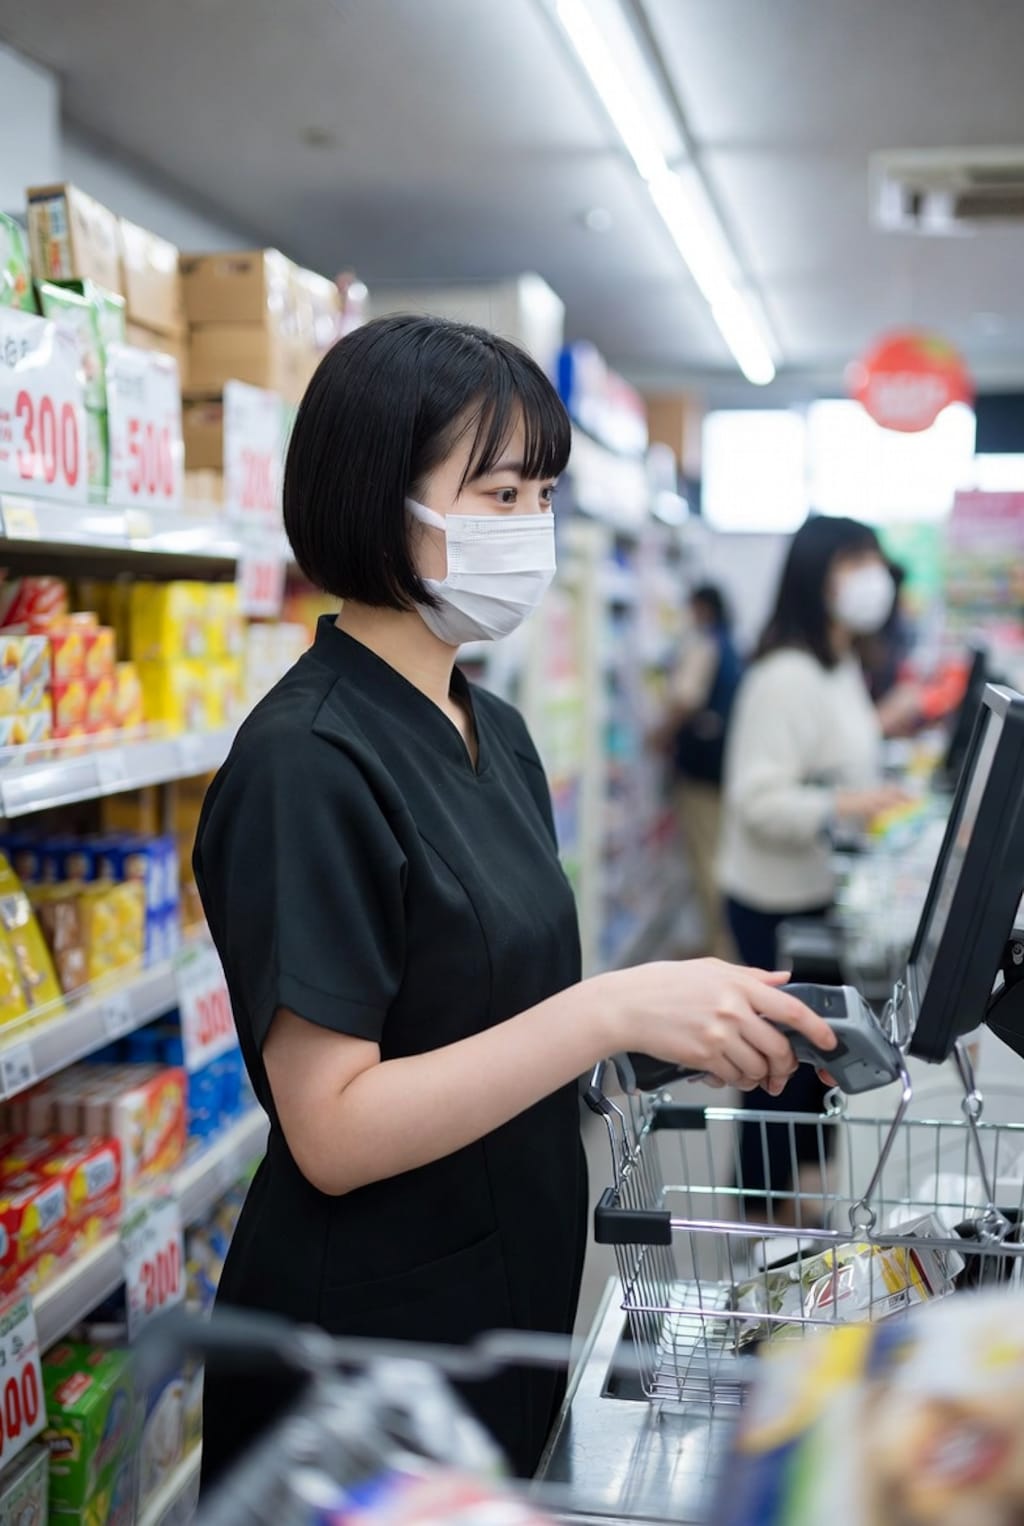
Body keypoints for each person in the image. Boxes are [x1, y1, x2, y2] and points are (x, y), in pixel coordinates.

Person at [193, 315, 836, 1488]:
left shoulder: (498, 729)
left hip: (508, 1295)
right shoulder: (306, 760)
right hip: (367, 1357)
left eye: (540, 491)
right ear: (378, 497)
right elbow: (331, 1131)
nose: (530, 527)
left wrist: (675, 1028)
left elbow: (493, 1013)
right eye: (497, 493)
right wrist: (606, 1009)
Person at [718, 516, 907, 1202]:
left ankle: (791, 1213)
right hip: (774, 903)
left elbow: (829, 755)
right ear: (814, 574)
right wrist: (848, 807)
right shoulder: (785, 675)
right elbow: (756, 801)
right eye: (853, 561)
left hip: (814, 890)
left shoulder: (838, 662)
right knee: (776, 1072)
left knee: (811, 1068)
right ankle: (757, 1220)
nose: (871, 578)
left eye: (874, 561)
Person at [660, 583, 742, 959]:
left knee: (707, 857)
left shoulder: (704, 644)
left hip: (701, 769)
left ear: (703, 609)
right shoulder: (733, 644)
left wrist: (659, 734)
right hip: (724, 765)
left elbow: (686, 699)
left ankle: (719, 950)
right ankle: (716, 944)